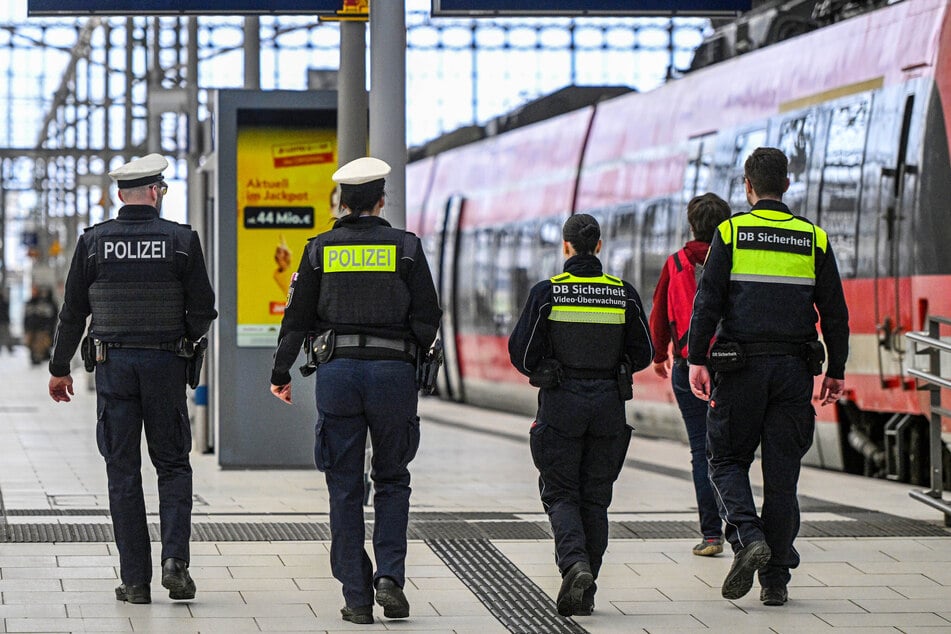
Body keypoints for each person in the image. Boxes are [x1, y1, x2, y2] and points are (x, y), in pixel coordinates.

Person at [269, 156, 442, 626]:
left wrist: (280, 372)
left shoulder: (318, 249)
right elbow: (428, 316)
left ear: (342, 203)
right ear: (381, 200)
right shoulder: (406, 248)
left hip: (339, 373)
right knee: (392, 478)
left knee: (344, 486)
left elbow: (296, 317)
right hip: (392, 375)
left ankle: (357, 596)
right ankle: (389, 576)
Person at [47, 153, 218, 605]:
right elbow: (204, 309)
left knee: (122, 471)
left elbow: (73, 312)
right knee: (173, 465)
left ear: (121, 195)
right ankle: (174, 563)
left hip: (114, 366)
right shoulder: (181, 241)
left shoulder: (94, 242)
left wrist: (59, 367)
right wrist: (183, 340)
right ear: (155, 192)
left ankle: (136, 581)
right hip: (165, 365)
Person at [687, 147, 849, 607]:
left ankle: (748, 535)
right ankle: (775, 581)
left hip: (739, 370)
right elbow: (835, 312)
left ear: (747, 186)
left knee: (724, 459)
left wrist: (697, 357)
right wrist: (835, 370)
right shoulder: (813, 239)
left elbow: (708, 301)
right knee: (782, 479)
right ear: (788, 185)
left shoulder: (732, 232)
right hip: (795, 370)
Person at [508, 214, 653, 617]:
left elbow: (522, 353)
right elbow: (644, 352)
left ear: (566, 247)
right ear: (599, 246)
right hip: (609, 404)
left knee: (559, 492)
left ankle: (575, 565)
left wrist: (547, 367)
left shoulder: (548, 294)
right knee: (596, 499)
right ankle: (585, 594)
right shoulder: (623, 294)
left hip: (561, 404)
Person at [648, 193, 731, 557]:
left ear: (691, 224)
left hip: (686, 366)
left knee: (702, 450)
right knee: (731, 451)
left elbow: (658, 310)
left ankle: (712, 535)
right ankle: (740, 529)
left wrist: (657, 355)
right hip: (730, 364)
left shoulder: (677, 262)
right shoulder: (733, 257)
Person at [24, 286, 58, 364]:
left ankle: (41, 356)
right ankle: (36, 357)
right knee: (32, 343)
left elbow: (51, 317)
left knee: (41, 344)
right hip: (33, 328)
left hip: (42, 328)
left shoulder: (47, 304)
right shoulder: (31, 303)